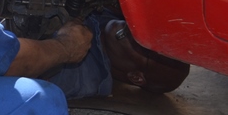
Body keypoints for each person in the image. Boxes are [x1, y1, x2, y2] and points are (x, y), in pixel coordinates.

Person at [45, 11, 190, 98]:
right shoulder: (119, 15)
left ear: (136, 77)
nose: (138, 34)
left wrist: (62, 47)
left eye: (146, 48)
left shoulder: (76, 76)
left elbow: (25, 61)